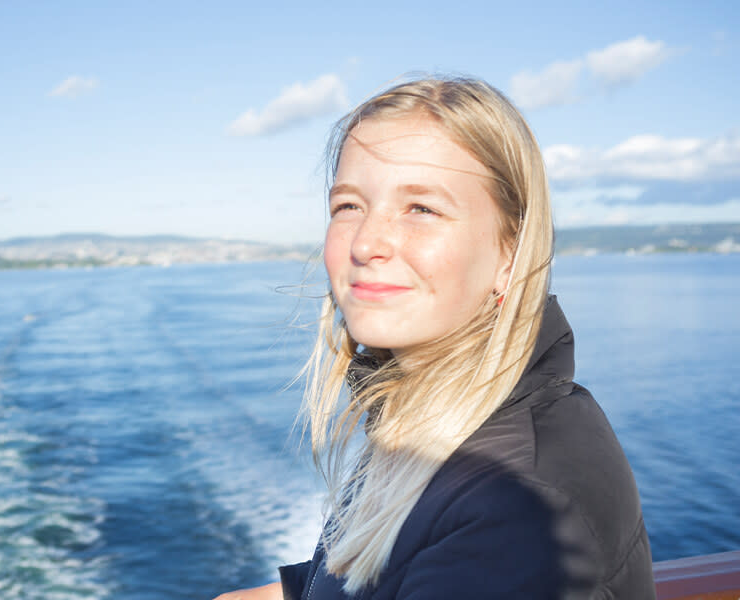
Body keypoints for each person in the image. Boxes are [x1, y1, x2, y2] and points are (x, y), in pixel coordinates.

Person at [213, 76, 655, 599]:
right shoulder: (433, 423)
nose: (367, 242)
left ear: (510, 254)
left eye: (421, 208)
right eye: (349, 206)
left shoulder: (515, 511)